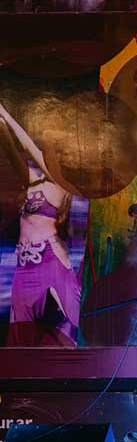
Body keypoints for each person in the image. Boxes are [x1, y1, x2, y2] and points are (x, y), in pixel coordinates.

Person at [0, 100, 81, 346]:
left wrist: (5, 112)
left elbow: (25, 144)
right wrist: (2, 126)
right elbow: (14, 153)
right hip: (24, 263)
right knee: (20, 331)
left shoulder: (60, 183)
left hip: (49, 259)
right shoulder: (34, 181)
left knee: (66, 326)